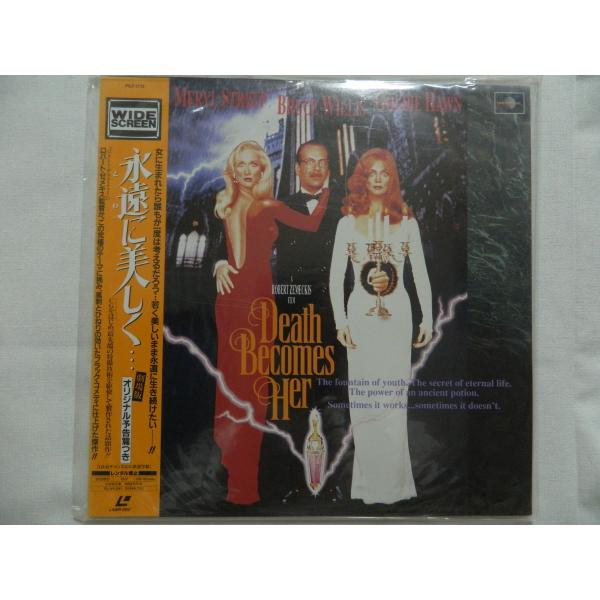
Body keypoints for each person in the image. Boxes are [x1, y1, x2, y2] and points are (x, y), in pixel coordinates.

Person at [212, 140, 330, 505]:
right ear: (233, 171)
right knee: (252, 389)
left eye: (254, 164)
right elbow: (312, 223)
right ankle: (243, 485)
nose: (248, 170)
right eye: (241, 164)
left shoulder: (228, 204)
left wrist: (221, 263)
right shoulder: (266, 205)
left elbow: (230, 249)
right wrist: (327, 192)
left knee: (237, 386)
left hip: (234, 299)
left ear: (263, 170)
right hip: (253, 301)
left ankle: (237, 475)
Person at [329, 148, 433, 504]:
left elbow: (420, 274)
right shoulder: (346, 223)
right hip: (360, 316)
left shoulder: (407, 222)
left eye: (383, 172)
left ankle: (395, 485)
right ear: (361, 178)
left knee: (392, 400)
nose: (377, 178)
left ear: (391, 179)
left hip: (397, 317)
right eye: (370, 172)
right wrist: (341, 321)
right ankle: (369, 485)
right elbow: (335, 278)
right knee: (363, 401)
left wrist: (427, 317)